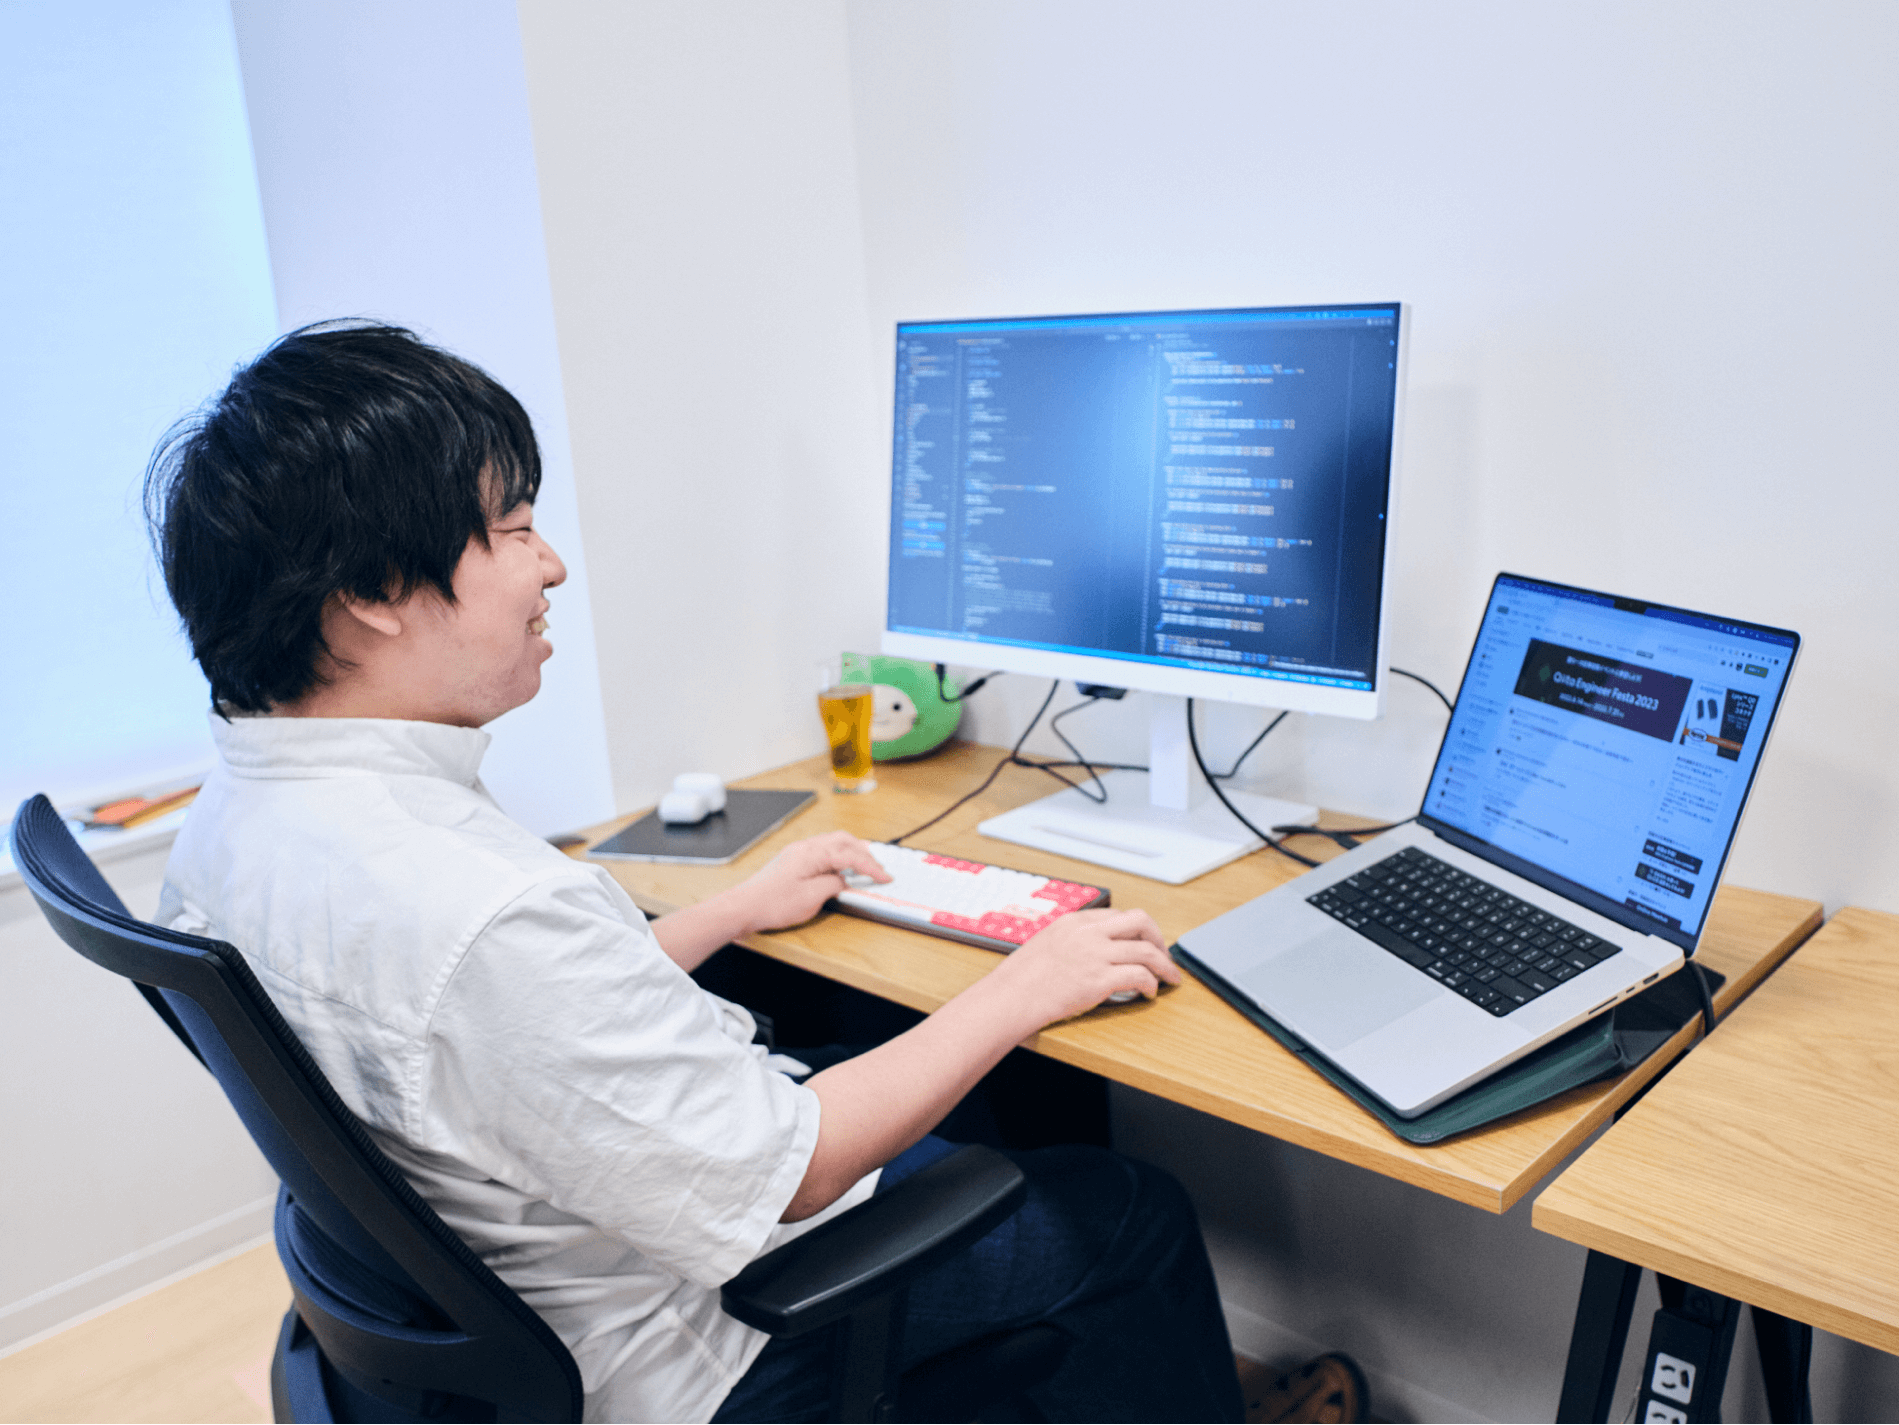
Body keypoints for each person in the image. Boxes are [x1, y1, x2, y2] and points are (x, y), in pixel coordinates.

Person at [145, 321, 1245, 1424]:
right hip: (698, 1345)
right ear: (374, 589)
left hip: (534, 1285)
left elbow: (486, 1034)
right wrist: (1025, 983)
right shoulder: (481, 906)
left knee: (926, 1079)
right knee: (1130, 1214)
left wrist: (728, 912)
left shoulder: (236, 824)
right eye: (513, 527)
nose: (550, 564)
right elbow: (794, 1172)